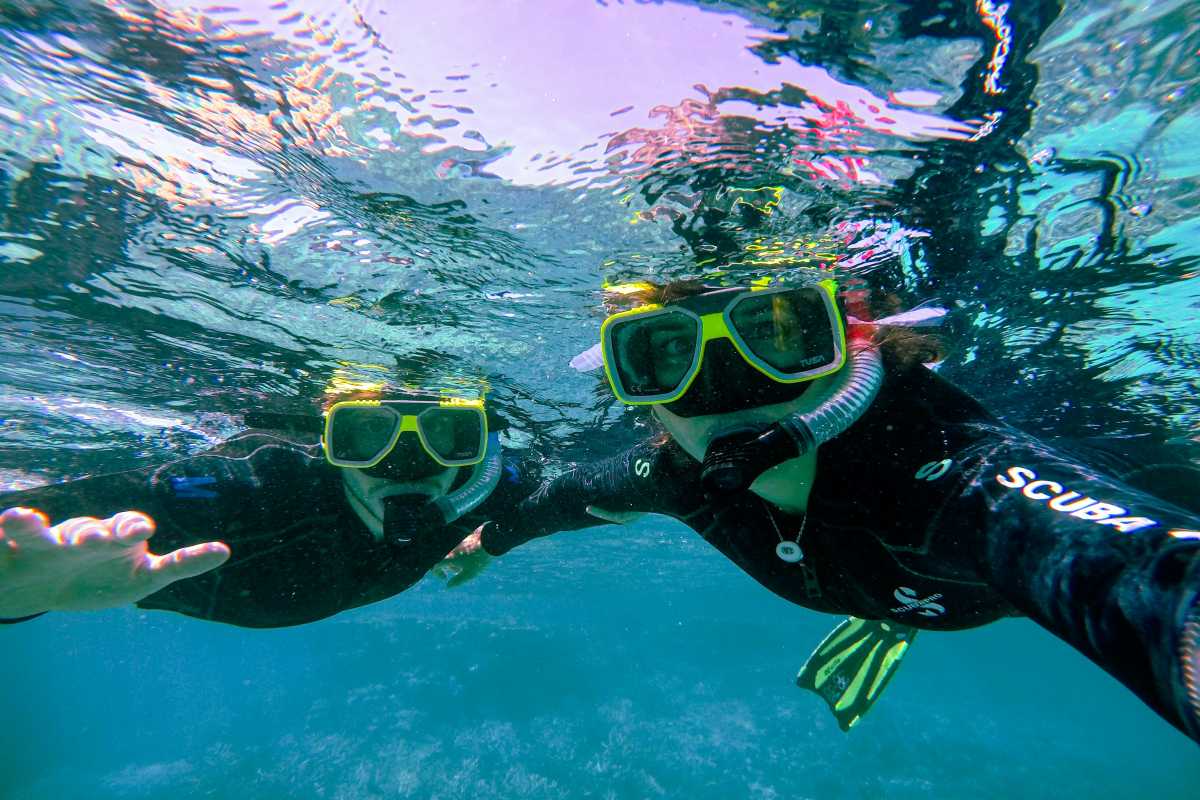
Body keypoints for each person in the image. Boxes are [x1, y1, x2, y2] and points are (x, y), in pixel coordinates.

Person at [471, 275, 1200, 743]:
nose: (726, 389)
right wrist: (486, 542)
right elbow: (565, 495)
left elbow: (1139, 575)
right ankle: (890, 612)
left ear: (857, 342)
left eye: (780, 334)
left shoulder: (956, 475)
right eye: (665, 355)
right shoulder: (676, 472)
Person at [0, 388, 537, 628]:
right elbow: (30, 530)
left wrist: (494, 539)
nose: (410, 468)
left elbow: (580, 493)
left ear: (477, 442)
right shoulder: (252, 490)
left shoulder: (491, 482)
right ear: (330, 443)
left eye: (448, 434)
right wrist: (18, 597)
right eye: (367, 434)